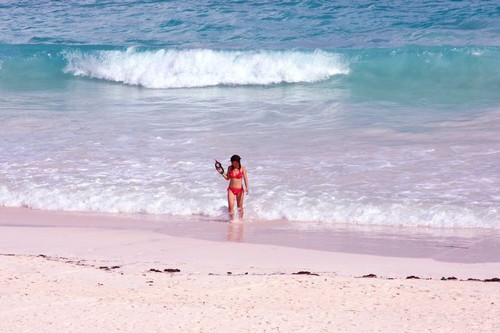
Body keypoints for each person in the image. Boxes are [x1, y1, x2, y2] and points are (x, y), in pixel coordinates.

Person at [216, 155, 249, 220]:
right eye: (233, 163)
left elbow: (245, 178)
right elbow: (227, 178)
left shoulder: (243, 168)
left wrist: (247, 187)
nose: (234, 165)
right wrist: (221, 173)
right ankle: (232, 221)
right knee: (230, 207)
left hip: (240, 190)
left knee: (240, 207)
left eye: (236, 163)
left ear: (239, 162)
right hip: (231, 190)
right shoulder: (230, 168)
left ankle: (240, 220)